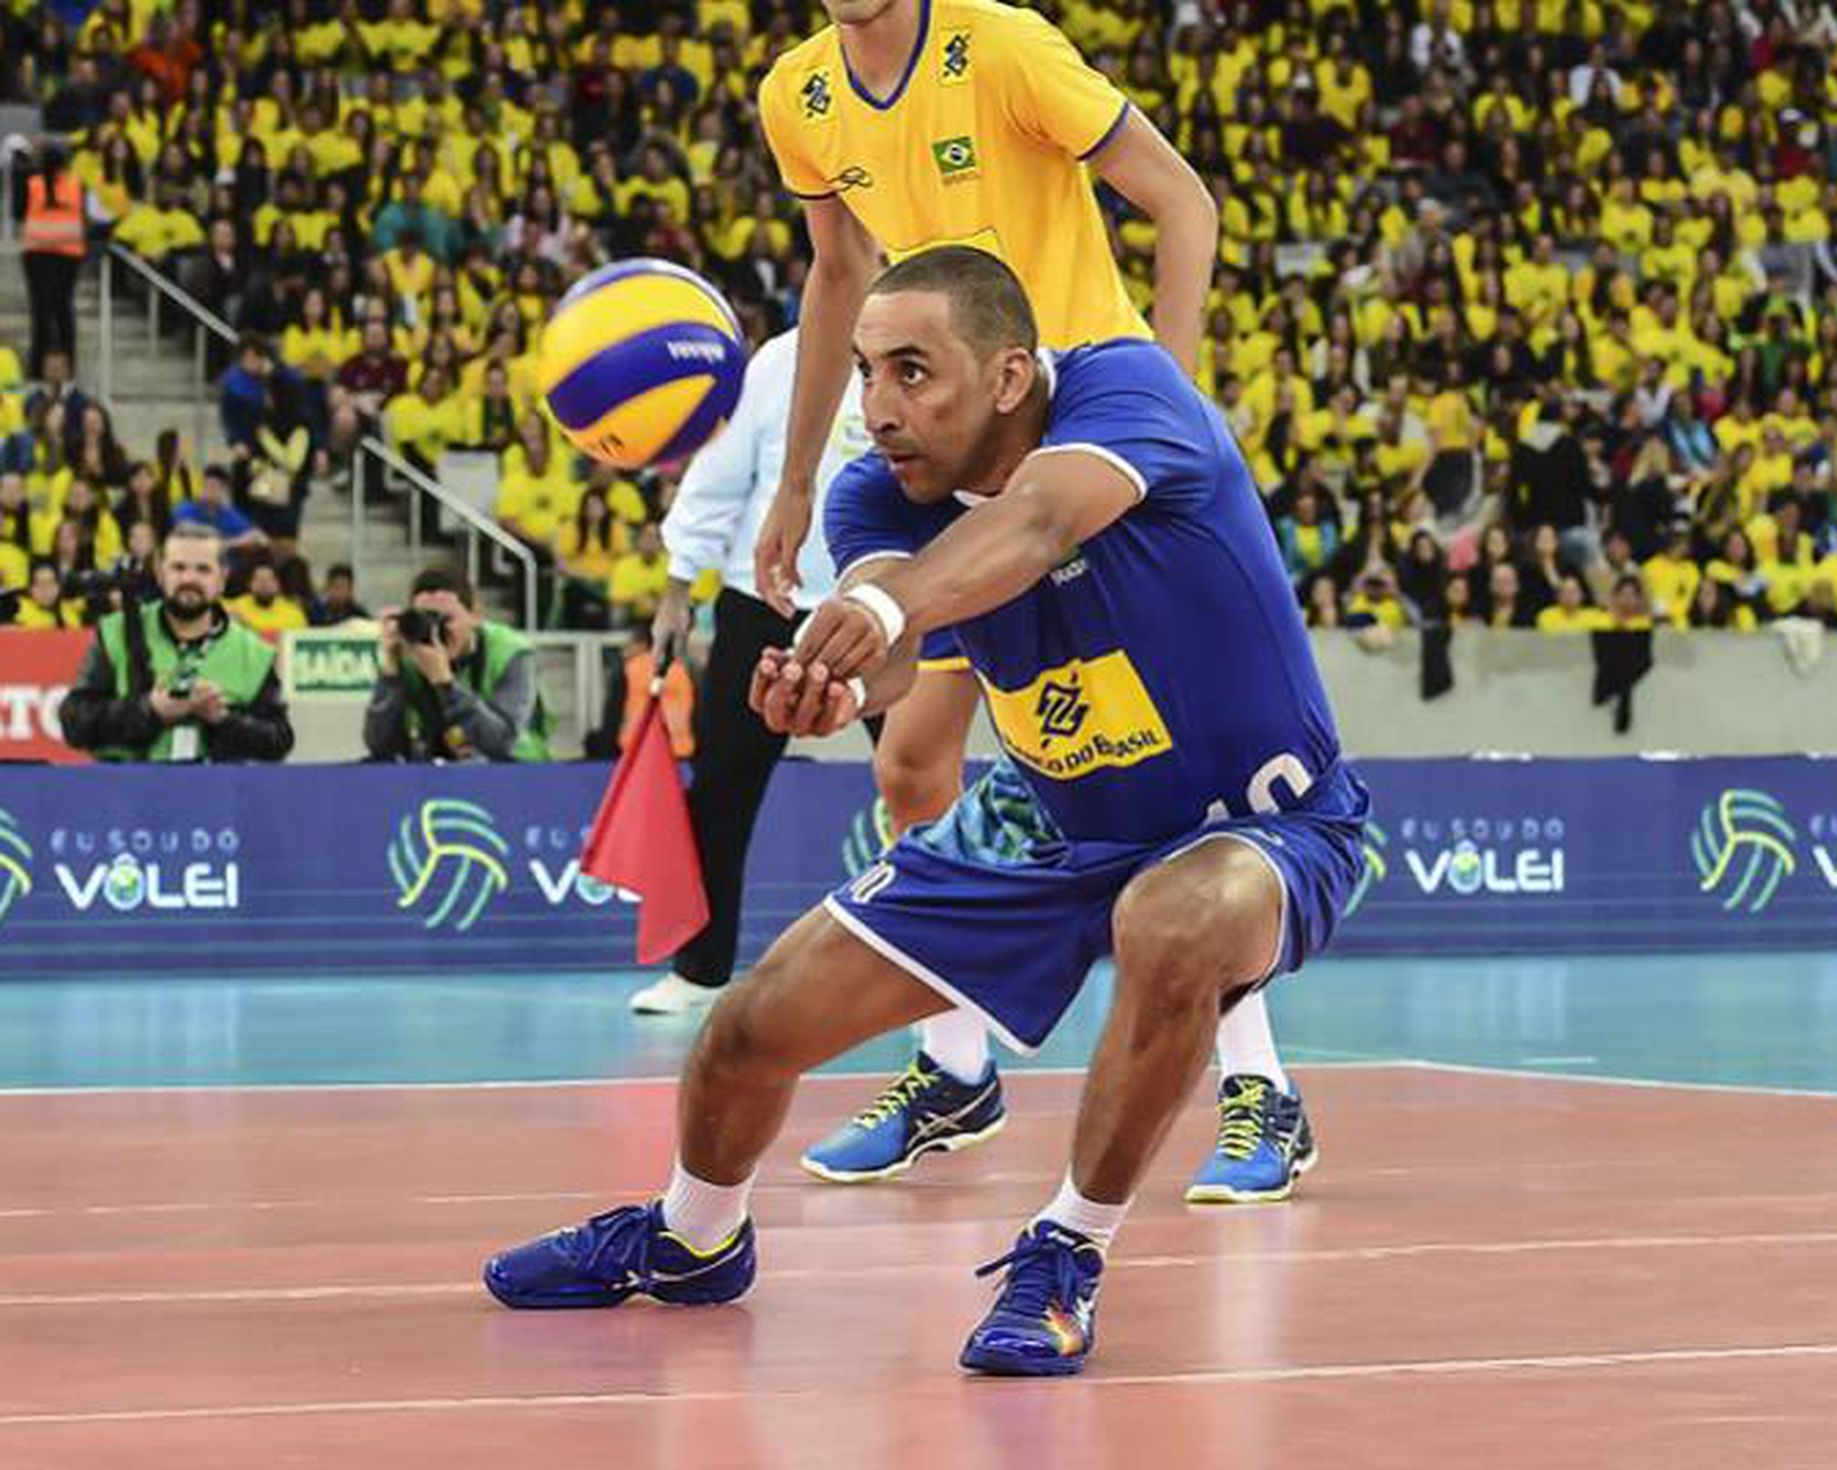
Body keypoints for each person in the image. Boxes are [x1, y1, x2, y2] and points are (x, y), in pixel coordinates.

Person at [484, 249, 1368, 1376]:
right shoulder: (871, 492)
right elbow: (901, 652)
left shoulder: (1129, 394)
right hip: (1045, 819)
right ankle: (691, 1239)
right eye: (863, 372)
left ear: (1008, 376)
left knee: (1175, 918)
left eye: (912, 372)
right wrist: (837, 682)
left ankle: (1065, 1253)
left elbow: (1038, 525)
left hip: (1258, 825)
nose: (877, 409)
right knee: (747, 1031)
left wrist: (880, 604)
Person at [754, 0, 1303, 1205]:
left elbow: (1182, 201)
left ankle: (1259, 1085)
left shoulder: (1001, 48)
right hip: (947, 464)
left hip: (1080, 460)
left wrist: (1165, 409)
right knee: (910, 764)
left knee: (1162, 782)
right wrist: (793, 477)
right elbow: (838, 275)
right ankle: (955, 1071)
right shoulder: (798, 93)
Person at [623, 326, 870, 1015]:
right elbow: (718, 478)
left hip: (884, 601)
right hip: (764, 600)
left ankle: (947, 977)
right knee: (722, 790)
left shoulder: (927, 341)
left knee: (915, 781)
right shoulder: (780, 360)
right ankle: (700, 970)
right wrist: (676, 592)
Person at [57, 523, 294, 762]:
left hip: (216, 794)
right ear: (161, 574)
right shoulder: (116, 632)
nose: (189, 579)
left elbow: (279, 742)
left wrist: (221, 718)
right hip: (125, 793)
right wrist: (150, 711)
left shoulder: (252, 652)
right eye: (178, 567)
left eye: (203, 569)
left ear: (222, 579)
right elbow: (74, 723)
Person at [363, 564, 550, 762]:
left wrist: (446, 685)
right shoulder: (411, 652)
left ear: (475, 615)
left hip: (518, 769)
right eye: (426, 619)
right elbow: (380, 747)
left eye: (445, 620)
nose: (436, 631)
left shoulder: (510, 652)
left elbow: (501, 743)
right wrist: (390, 671)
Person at [20, 141, 85, 381]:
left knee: (49, 311)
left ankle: (47, 367)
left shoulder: (34, 183)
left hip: (51, 255)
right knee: (54, 312)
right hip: (52, 255)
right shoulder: (71, 185)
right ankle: (48, 366)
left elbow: (19, 212)